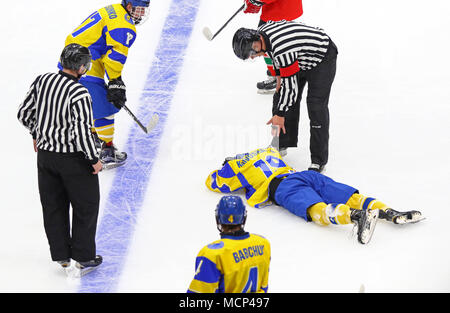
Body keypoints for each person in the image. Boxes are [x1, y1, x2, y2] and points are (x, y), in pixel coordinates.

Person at [205, 147, 424, 244]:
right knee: (349, 194)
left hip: (282, 187)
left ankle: (357, 216)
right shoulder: (265, 151)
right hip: (304, 175)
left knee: (314, 209)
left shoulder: (236, 166)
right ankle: (390, 212)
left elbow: (214, 183)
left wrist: (226, 168)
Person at [18, 44, 103, 273]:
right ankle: (84, 257)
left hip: (45, 159)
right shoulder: (79, 93)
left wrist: (38, 133)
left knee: (53, 207)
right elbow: (81, 132)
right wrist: (94, 159)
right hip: (74, 161)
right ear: (82, 67)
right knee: (86, 206)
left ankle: (61, 256)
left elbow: (24, 114)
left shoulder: (42, 80)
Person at [232, 20, 338, 172]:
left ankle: (318, 160)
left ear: (257, 40)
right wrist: (277, 80)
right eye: (249, 54)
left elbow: (291, 88)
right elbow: (273, 64)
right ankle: (279, 144)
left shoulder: (282, 49)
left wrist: (280, 114)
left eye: (253, 51)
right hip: (299, 56)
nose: (253, 56)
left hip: (322, 58)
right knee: (279, 95)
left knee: (315, 106)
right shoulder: (262, 34)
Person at [61, 0, 151, 169]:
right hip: (83, 62)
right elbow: (113, 58)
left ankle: (93, 134)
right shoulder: (124, 26)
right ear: (130, 6)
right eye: (140, 9)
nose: (142, 14)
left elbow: (103, 50)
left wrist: (114, 81)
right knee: (104, 106)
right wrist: (116, 81)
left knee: (91, 102)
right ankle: (107, 151)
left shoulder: (116, 10)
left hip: (72, 56)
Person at [188, 196, 271, 293]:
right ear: (243, 218)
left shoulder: (212, 255)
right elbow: (264, 286)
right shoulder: (263, 243)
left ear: (218, 219)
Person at [243, 0, 303, 94]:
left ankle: (278, 77)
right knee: (273, 42)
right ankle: (280, 73)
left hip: (280, 10)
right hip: (281, 7)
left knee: (265, 42)